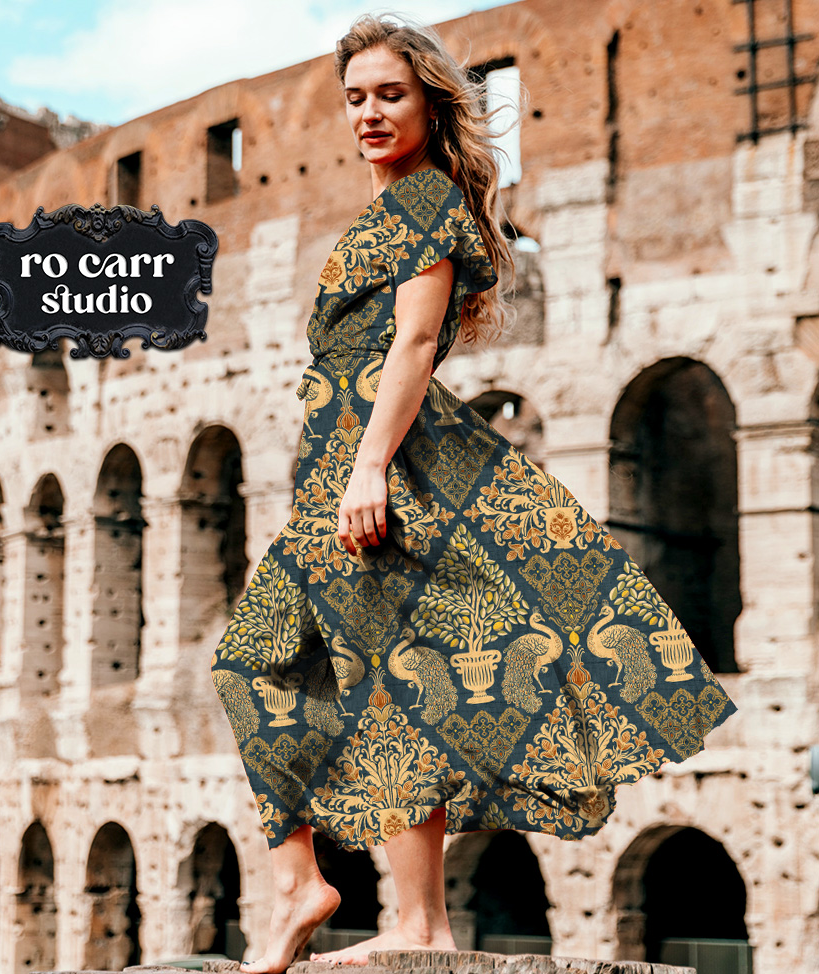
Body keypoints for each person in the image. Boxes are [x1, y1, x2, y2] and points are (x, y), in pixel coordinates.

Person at [210, 12, 738, 973]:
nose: (370, 112)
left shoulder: (426, 203)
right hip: (339, 456)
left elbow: (413, 342)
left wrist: (370, 468)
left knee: (389, 677)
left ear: (431, 103)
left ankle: (414, 925)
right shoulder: (387, 210)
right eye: (356, 98)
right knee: (261, 662)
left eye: (391, 94)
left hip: (382, 458)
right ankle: (309, 885)